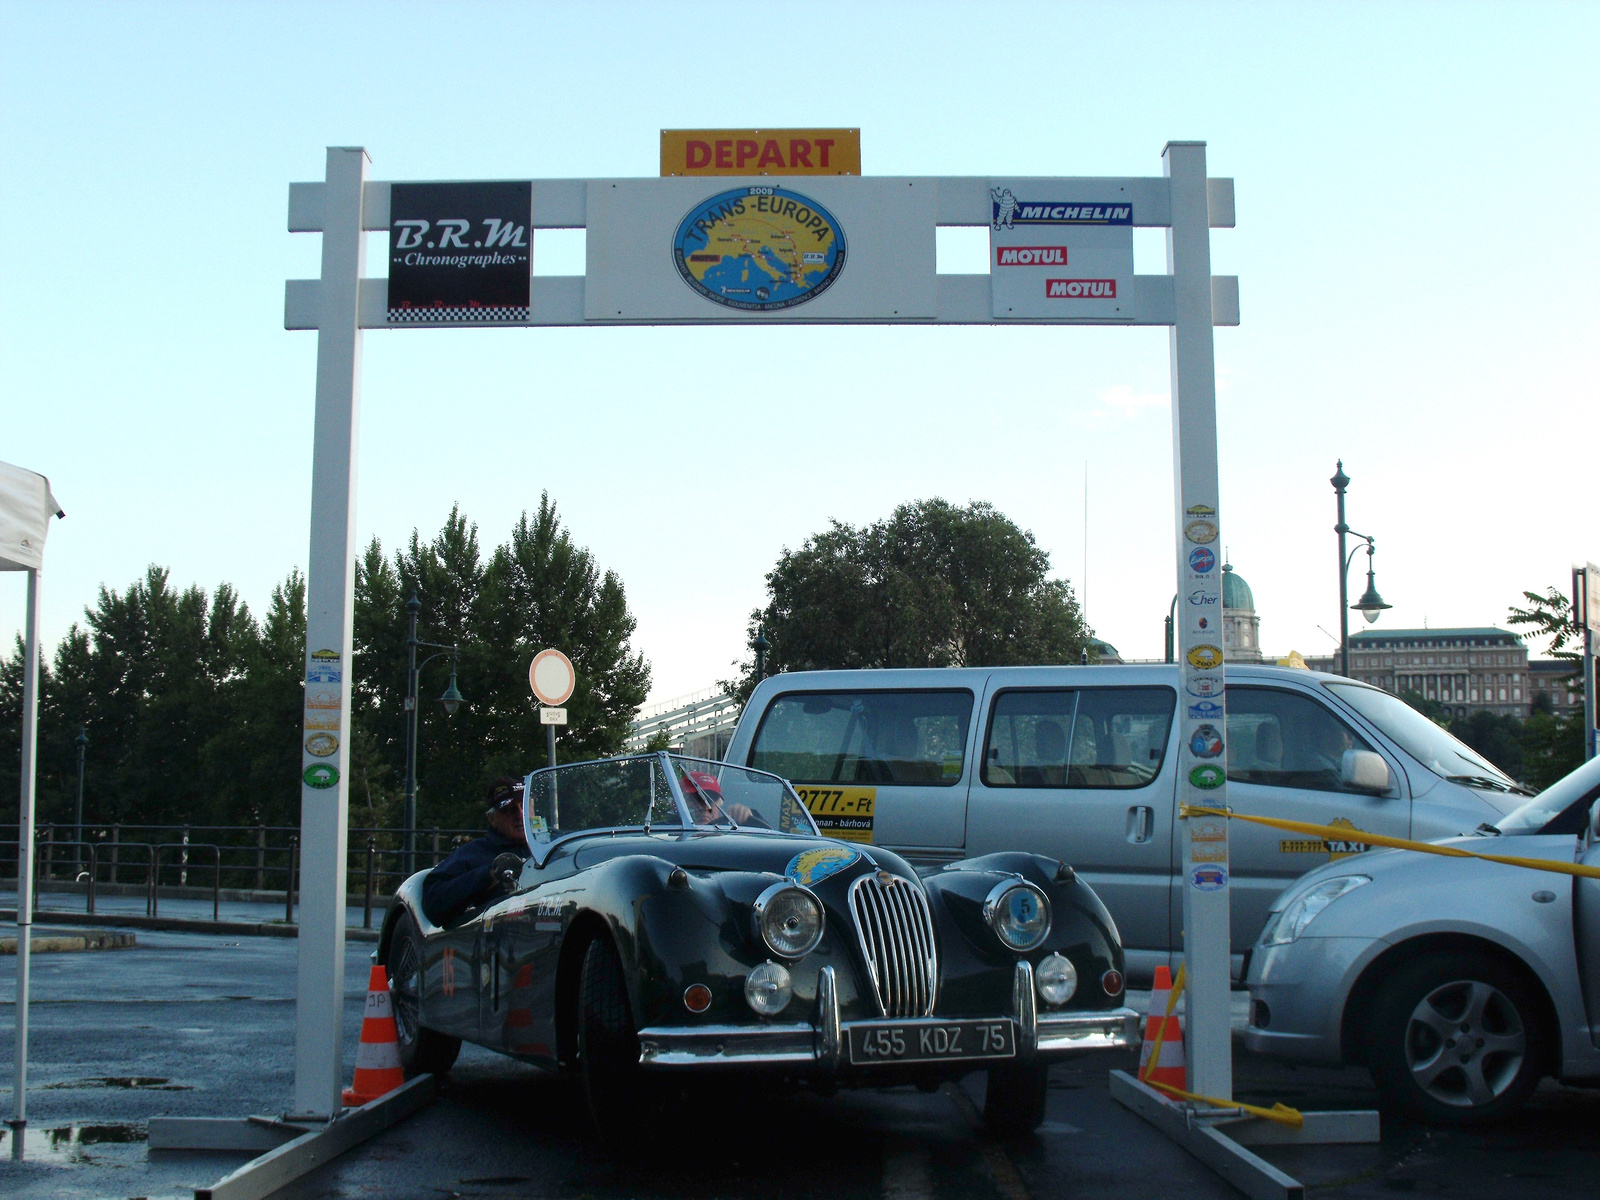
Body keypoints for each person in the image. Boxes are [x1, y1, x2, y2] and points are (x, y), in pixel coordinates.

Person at [421, 776, 530, 926]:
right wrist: (489, 874)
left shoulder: (555, 844)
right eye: (509, 810)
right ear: (492, 819)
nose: (519, 815)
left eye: (524, 806)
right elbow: (433, 905)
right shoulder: (473, 854)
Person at [680, 770, 766, 828]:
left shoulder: (730, 832)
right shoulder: (670, 833)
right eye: (696, 800)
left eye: (711, 800)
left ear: (719, 805)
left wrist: (748, 816)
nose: (705, 807)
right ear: (681, 803)